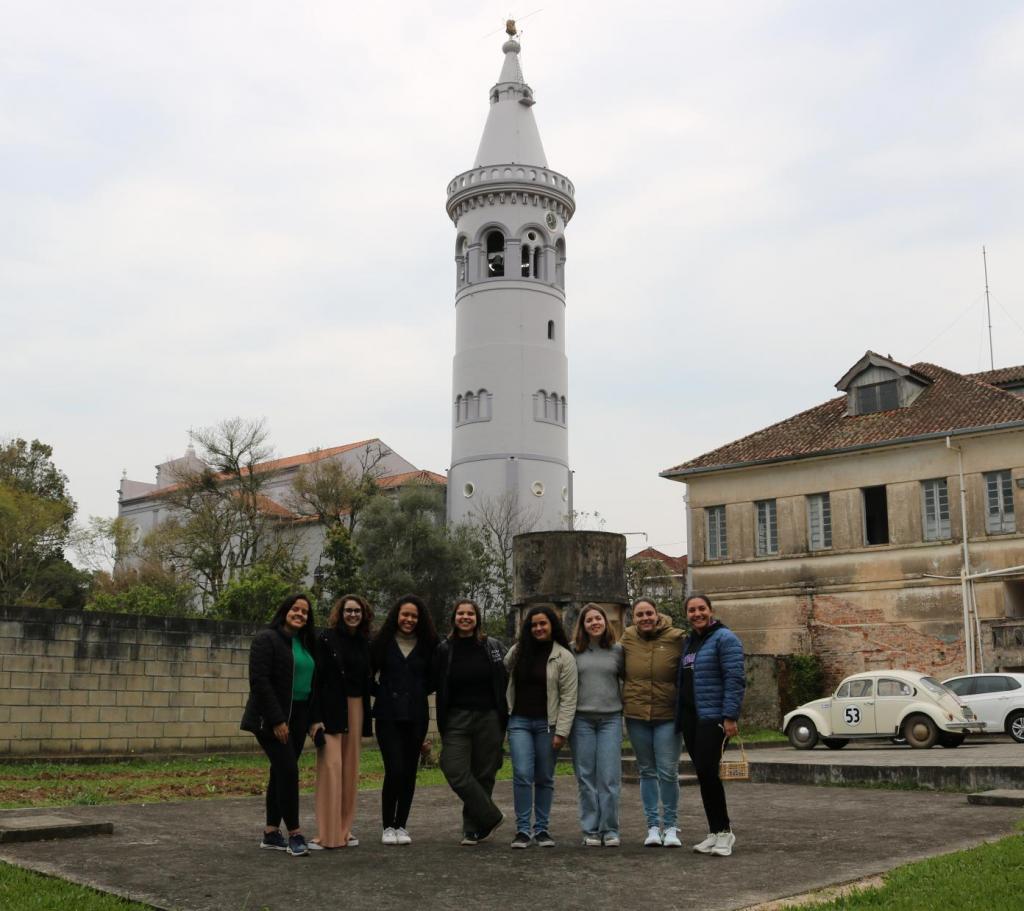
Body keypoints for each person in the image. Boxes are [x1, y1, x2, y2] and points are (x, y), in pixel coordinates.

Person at [240, 593, 320, 857]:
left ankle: (271, 833)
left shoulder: (306, 642)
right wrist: (276, 720)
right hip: (270, 717)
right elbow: (260, 681)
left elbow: (311, 684)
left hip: (298, 716)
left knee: (280, 772)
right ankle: (295, 834)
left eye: (305, 612)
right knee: (288, 770)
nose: (300, 614)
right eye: (295, 609)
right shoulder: (267, 639)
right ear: (285, 610)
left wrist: (310, 719)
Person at [675, 592, 746, 857]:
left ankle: (725, 832)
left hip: (714, 717)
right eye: (692, 610)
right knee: (704, 775)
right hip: (692, 719)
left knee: (708, 772)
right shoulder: (690, 642)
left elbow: (735, 678)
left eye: (701, 609)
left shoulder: (725, 639)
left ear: (711, 610)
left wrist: (730, 717)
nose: (697, 614)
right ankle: (714, 832)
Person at [433, 599, 508, 845]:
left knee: (484, 773)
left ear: (477, 618)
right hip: (457, 717)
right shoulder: (444, 649)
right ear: (454, 618)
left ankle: (472, 829)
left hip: (489, 716)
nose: (465, 617)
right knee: (453, 767)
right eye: (461, 613)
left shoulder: (492, 646)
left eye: (470, 614)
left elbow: (511, 670)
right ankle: (491, 815)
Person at [504, 605, 578, 849]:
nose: (538, 628)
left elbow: (569, 697)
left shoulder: (563, 656)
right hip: (519, 722)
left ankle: (542, 830)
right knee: (522, 774)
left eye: (543, 624)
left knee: (544, 777)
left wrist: (562, 731)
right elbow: (501, 676)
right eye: (533, 624)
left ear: (552, 626)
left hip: (549, 724)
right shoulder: (517, 652)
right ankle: (523, 830)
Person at [370, 594, 438, 845]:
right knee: (394, 769)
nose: (409, 619)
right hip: (388, 716)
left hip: (416, 715)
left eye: (414, 616)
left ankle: (402, 826)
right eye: (405, 615)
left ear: (420, 619)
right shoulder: (381, 642)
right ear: (396, 616)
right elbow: (367, 674)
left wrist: (418, 691)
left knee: (410, 772)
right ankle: (388, 825)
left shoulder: (429, 643)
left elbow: (435, 677)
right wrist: (383, 692)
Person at [308, 594, 374, 850]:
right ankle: (328, 834)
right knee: (331, 768)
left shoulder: (365, 642)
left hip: (356, 707)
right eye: (348, 610)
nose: (353, 615)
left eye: (357, 611)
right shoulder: (325, 638)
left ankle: (345, 830)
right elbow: (317, 679)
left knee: (350, 770)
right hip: (331, 707)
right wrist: (315, 719)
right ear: (340, 612)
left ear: (363, 613)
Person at [620, 597, 685, 848]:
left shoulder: (677, 638)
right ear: (633, 618)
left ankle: (670, 826)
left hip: (667, 715)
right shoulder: (626, 639)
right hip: (637, 716)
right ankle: (652, 827)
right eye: (639, 615)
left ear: (657, 614)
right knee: (646, 771)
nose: (645, 618)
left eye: (649, 613)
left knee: (668, 771)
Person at [569, 603, 624, 847]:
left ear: (606, 622)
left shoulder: (618, 651)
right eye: (589, 620)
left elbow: (629, 680)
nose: (594, 623)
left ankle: (609, 829)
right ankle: (590, 829)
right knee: (586, 776)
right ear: (582, 625)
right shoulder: (573, 651)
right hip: (582, 720)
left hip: (610, 719)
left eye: (598, 618)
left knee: (609, 777)